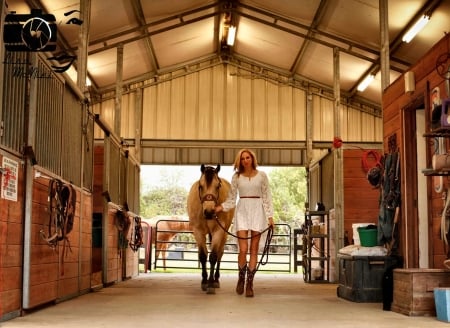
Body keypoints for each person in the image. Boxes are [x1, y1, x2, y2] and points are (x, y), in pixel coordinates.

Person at [215, 148, 274, 297]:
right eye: (243, 158)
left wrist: (270, 217)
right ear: (239, 161)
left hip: (258, 211)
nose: (245, 160)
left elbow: (267, 197)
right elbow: (231, 198)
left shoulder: (262, 176)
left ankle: (250, 283)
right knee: (243, 249)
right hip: (242, 211)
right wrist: (219, 208)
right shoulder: (237, 177)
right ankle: (241, 278)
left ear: (252, 159)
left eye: (248, 158)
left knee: (253, 249)